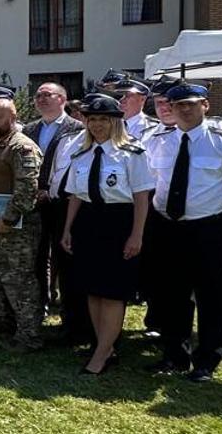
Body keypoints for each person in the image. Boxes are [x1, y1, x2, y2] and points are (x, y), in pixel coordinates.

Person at [147, 82, 222, 382]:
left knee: (212, 294)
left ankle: (208, 358)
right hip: (166, 226)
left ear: (205, 105)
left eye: (191, 104)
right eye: (177, 104)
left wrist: (212, 209)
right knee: (171, 293)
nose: (183, 109)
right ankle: (174, 355)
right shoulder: (157, 139)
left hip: (207, 226)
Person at [57, 95, 154, 375]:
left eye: (104, 119)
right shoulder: (81, 153)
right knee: (92, 288)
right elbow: (75, 194)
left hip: (119, 222)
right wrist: (67, 229)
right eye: (92, 119)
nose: (97, 125)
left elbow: (141, 197)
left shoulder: (132, 153)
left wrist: (136, 235)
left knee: (112, 292)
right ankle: (105, 346)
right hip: (88, 221)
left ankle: (100, 354)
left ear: (116, 121)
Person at [0, 98, 43, 351]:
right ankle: (3, 319)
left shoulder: (22, 148)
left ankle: (29, 335)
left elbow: (27, 188)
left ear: (12, 119)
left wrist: (9, 219)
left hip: (15, 230)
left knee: (19, 281)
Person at [24, 82, 83, 340]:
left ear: (62, 99)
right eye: (38, 96)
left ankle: (71, 319)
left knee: (66, 261)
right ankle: (38, 309)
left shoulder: (77, 129)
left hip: (63, 203)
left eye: (47, 95)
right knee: (35, 258)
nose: (41, 99)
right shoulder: (28, 129)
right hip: (33, 204)